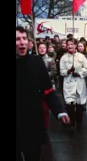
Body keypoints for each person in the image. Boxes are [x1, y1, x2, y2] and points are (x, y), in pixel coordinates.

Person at [16, 26, 70, 161]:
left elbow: (48, 91)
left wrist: (60, 111)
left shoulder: (36, 62)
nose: (22, 42)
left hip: (33, 124)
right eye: (17, 39)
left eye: (24, 38)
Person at [60, 38, 87, 132]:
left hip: (79, 84)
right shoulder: (63, 58)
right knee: (70, 105)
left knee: (80, 105)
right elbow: (61, 72)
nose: (70, 46)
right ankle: (72, 122)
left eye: (72, 44)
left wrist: (79, 73)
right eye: (68, 44)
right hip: (68, 85)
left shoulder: (81, 56)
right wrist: (68, 71)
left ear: (76, 45)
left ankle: (79, 123)